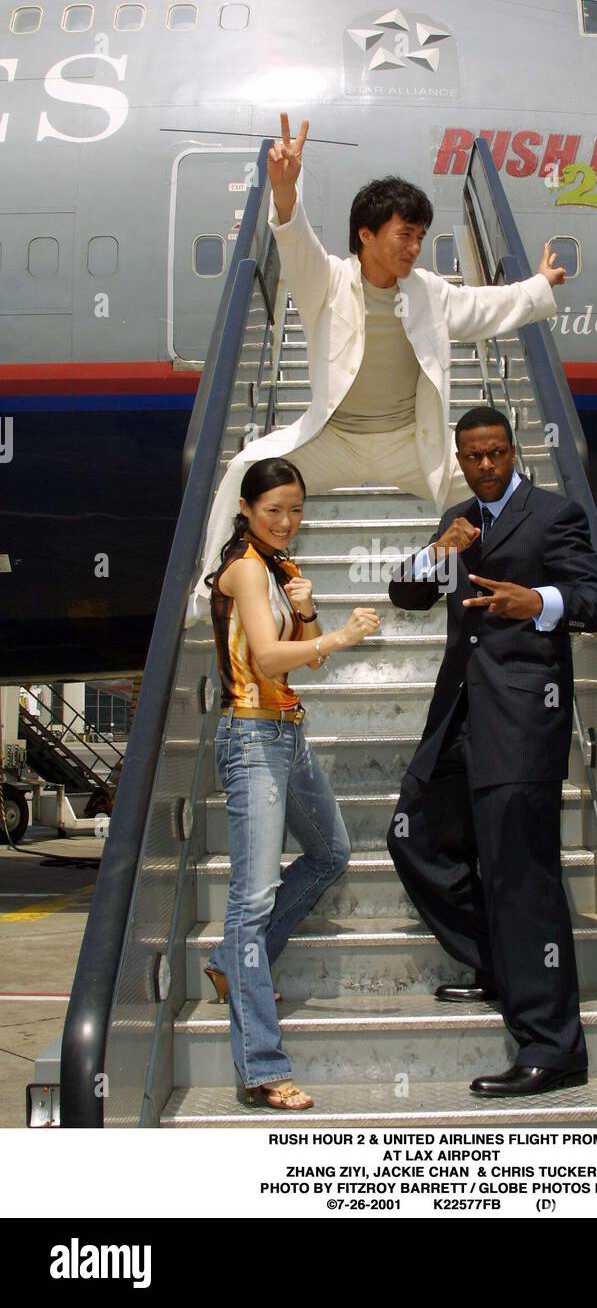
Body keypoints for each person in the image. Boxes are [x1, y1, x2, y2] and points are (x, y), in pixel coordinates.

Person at [189, 111, 566, 618]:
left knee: (507, 491)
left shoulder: (430, 292)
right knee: (243, 470)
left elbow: (485, 309)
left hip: (408, 443)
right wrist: (284, 193)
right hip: (334, 439)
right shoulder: (327, 282)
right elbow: (296, 247)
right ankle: (210, 591)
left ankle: (540, 601)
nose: (414, 248)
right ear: (366, 234)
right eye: (404, 235)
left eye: (420, 237)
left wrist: (538, 285)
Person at [386, 407, 597, 1097]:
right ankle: (499, 962)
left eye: (495, 454)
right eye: (473, 457)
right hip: (459, 715)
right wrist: (439, 553)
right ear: (460, 459)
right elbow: (405, 596)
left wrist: (538, 601)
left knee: (522, 875)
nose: (485, 466)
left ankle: (553, 1047)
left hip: (522, 719)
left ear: (513, 451)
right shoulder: (458, 519)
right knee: (414, 837)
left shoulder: (555, 516)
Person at [206, 456, 380, 1110]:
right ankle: (260, 1068)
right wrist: (336, 635)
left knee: (330, 853)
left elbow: (293, 645)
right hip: (250, 735)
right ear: (247, 509)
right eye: (273, 509)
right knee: (252, 901)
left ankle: (231, 962)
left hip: (285, 729)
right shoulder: (248, 570)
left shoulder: (281, 569)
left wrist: (308, 611)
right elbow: (272, 655)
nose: (286, 521)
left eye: (295, 509)